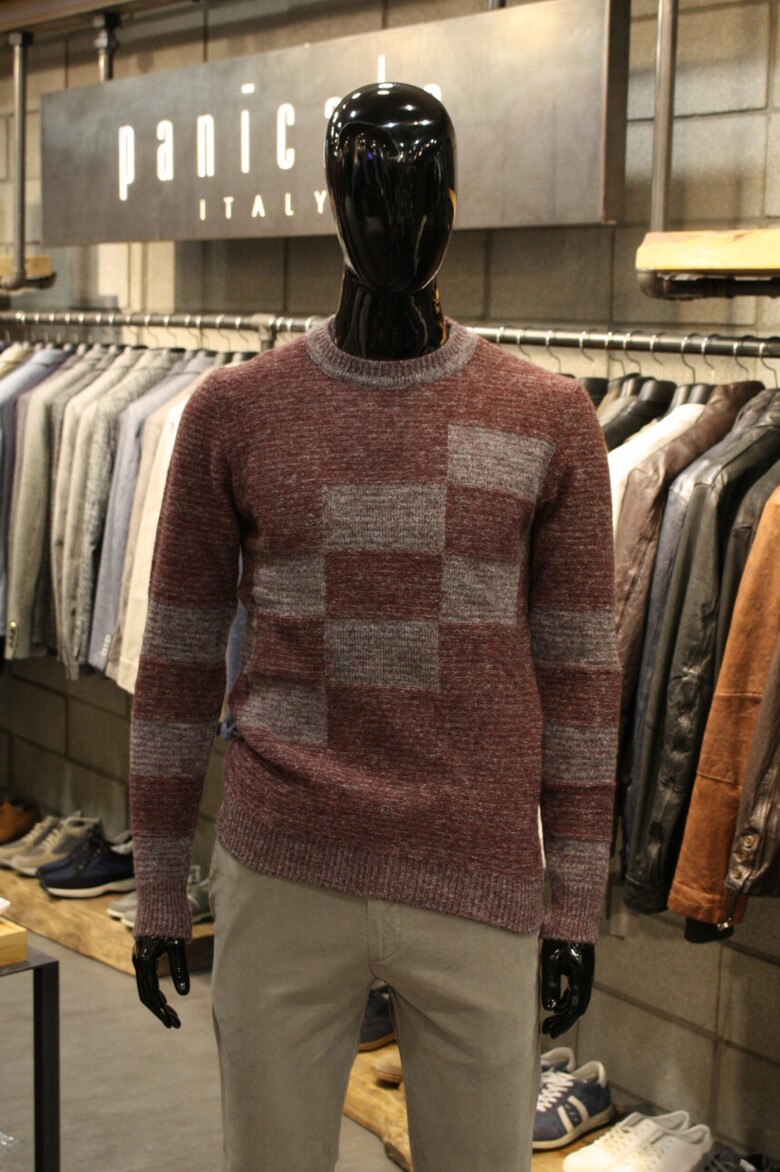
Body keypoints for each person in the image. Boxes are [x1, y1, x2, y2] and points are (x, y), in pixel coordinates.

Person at [130, 82, 620, 1172]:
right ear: (331, 205)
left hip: (478, 877)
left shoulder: (549, 418)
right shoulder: (235, 411)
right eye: (367, 191)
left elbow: (583, 681)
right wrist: (160, 882)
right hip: (284, 866)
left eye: (419, 192)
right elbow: (176, 663)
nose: (396, 219)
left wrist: (576, 902)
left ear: (455, 204)